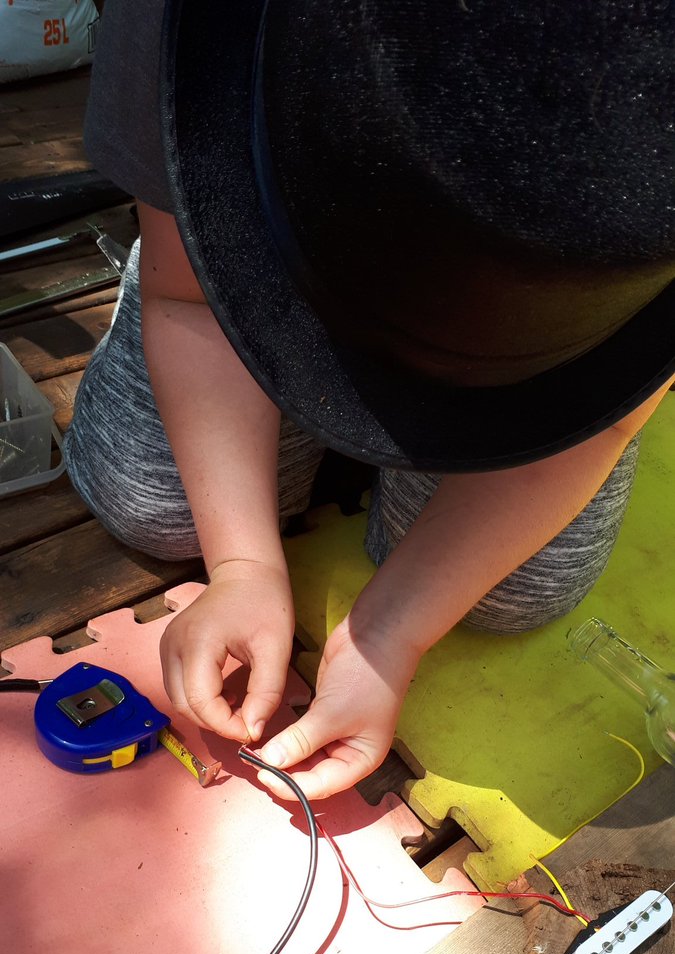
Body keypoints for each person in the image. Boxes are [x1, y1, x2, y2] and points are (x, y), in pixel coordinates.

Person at [64, 0, 675, 803]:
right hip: (246, 285)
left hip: (555, 351)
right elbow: (191, 302)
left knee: (512, 594)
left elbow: (603, 422)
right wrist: (240, 564)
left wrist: (387, 635)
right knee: (153, 502)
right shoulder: (197, 38)